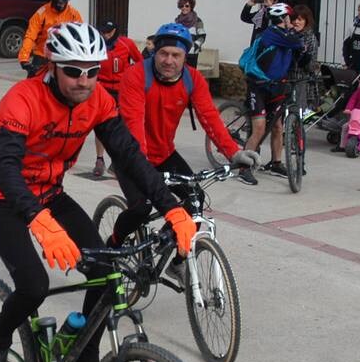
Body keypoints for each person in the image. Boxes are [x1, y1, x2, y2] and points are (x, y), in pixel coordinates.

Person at [0, 22, 198, 362]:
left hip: (49, 192)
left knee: (106, 275)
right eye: (74, 70)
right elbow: (5, 168)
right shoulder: (21, 99)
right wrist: (41, 224)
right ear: (52, 66)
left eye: (94, 71)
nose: (84, 81)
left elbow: (131, 156)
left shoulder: (98, 101)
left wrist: (172, 208)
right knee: (34, 285)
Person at [109, 23, 258, 244]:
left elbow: (209, 117)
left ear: (185, 56)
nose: (169, 60)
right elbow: (134, 124)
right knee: (141, 208)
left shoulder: (193, 79)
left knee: (195, 201)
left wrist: (233, 153)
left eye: (176, 55)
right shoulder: (136, 75)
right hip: (131, 156)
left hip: (165, 153)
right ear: (155, 52)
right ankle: (113, 243)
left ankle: (174, 257)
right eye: (164, 53)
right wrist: (143, 169)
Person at [238, 2, 302, 184]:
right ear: (283, 18)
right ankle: (244, 167)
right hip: (258, 87)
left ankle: (275, 163)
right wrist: (295, 33)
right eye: (289, 17)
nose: (291, 20)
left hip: (276, 86)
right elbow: (296, 42)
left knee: (277, 126)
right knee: (259, 129)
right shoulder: (271, 34)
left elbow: (299, 53)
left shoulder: (284, 35)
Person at [92, 20, 143, 177]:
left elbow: (140, 62)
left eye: (109, 32)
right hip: (103, 89)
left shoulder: (126, 44)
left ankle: (117, 161)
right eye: (103, 32)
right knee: (100, 125)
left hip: (123, 90)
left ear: (115, 31)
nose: (106, 35)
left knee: (124, 125)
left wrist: (133, 78)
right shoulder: (96, 44)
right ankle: (100, 160)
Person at [19, 0, 82, 76]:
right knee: (33, 83)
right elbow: (30, 36)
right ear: (52, 0)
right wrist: (24, 58)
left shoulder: (73, 14)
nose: (61, 5)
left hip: (64, 56)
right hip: (42, 55)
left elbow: (80, 34)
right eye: (58, 3)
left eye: (64, 2)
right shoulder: (41, 14)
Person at [290, 5, 321, 111]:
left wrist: (302, 57)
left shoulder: (310, 38)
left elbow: (311, 66)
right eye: (294, 19)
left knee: (298, 113)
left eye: (300, 19)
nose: (296, 22)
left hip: (301, 80)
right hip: (287, 78)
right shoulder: (289, 34)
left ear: (306, 21)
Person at [174, 0, 206, 68]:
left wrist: (195, 46)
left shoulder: (197, 21)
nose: (184, 7)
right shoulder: (177, 20)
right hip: (179, 51)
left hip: (192, 53)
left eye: (187, 6)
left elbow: (202, 36)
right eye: (182, 6)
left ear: (191, 6)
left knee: (190, 74)